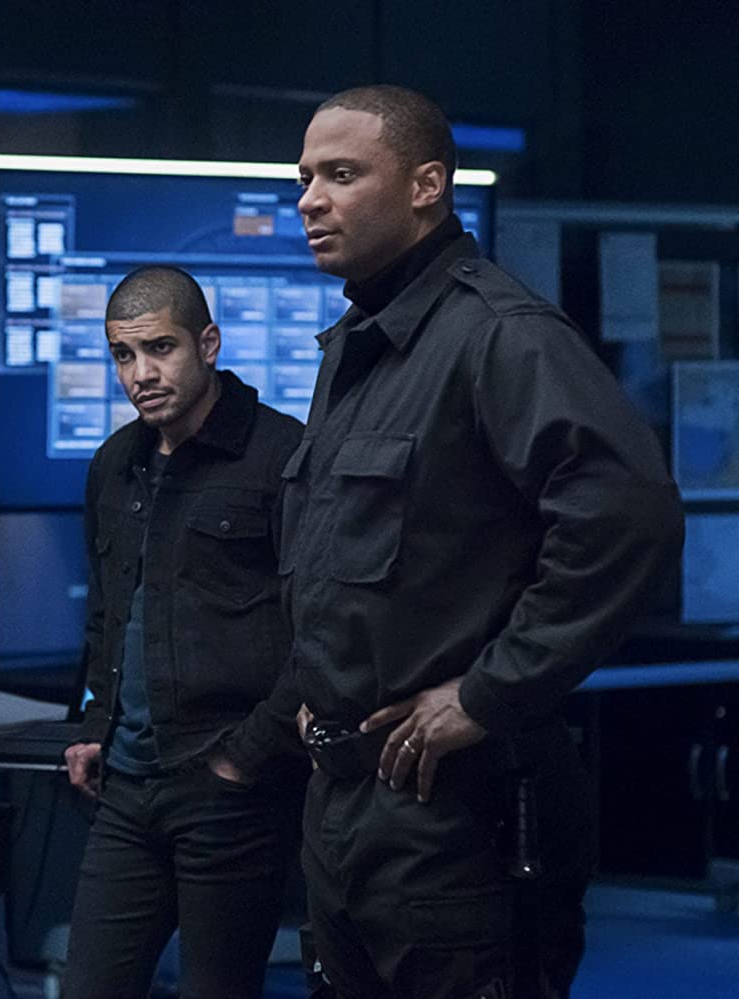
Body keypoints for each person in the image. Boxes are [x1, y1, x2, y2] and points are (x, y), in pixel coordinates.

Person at [286, 84, 684, 998]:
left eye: (341, 175)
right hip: (348, 809)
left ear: (427, 185)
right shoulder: (358, 345)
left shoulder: (499, 335)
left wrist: (490, 691)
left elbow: (629, 515)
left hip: (457, 814)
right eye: (304, 178)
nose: (310, 200)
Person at [59, 266, 309, 999]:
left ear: (208, 344)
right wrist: (95, 726)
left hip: (230, 786)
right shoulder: (115, 463)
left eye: (160, 348)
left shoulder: (282, 455)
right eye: (123, 355)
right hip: (128, 785)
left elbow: (322, 627)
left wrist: (247, 755)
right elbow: (109, 612)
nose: (141, 374)